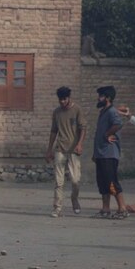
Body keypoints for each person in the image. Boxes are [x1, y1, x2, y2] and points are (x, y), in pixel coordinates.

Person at [45, 86, 87, 217]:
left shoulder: (77, 110)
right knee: (59, 181)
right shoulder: (57, 112)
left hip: (73, 150)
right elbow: (53, 131)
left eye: (64, 99)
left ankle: (74, 199)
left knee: (75, 180)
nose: (62, 102)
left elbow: (83, 128)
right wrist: (49, 150)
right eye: (60, 100)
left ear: (69, 98)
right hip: (60, 149)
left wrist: (80, 144)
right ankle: (57, 208)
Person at [92, 86, 127, 219]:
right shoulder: (103, 112)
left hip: (109, 154)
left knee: (111, 182)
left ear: (108, 98)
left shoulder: (112, 111)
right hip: (101, 154)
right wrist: (95, 153)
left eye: (100, 96)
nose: (98, 98)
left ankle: (122, 209)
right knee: (102, 182)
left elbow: (118, 124)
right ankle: (105, 209)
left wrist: (108, 134)